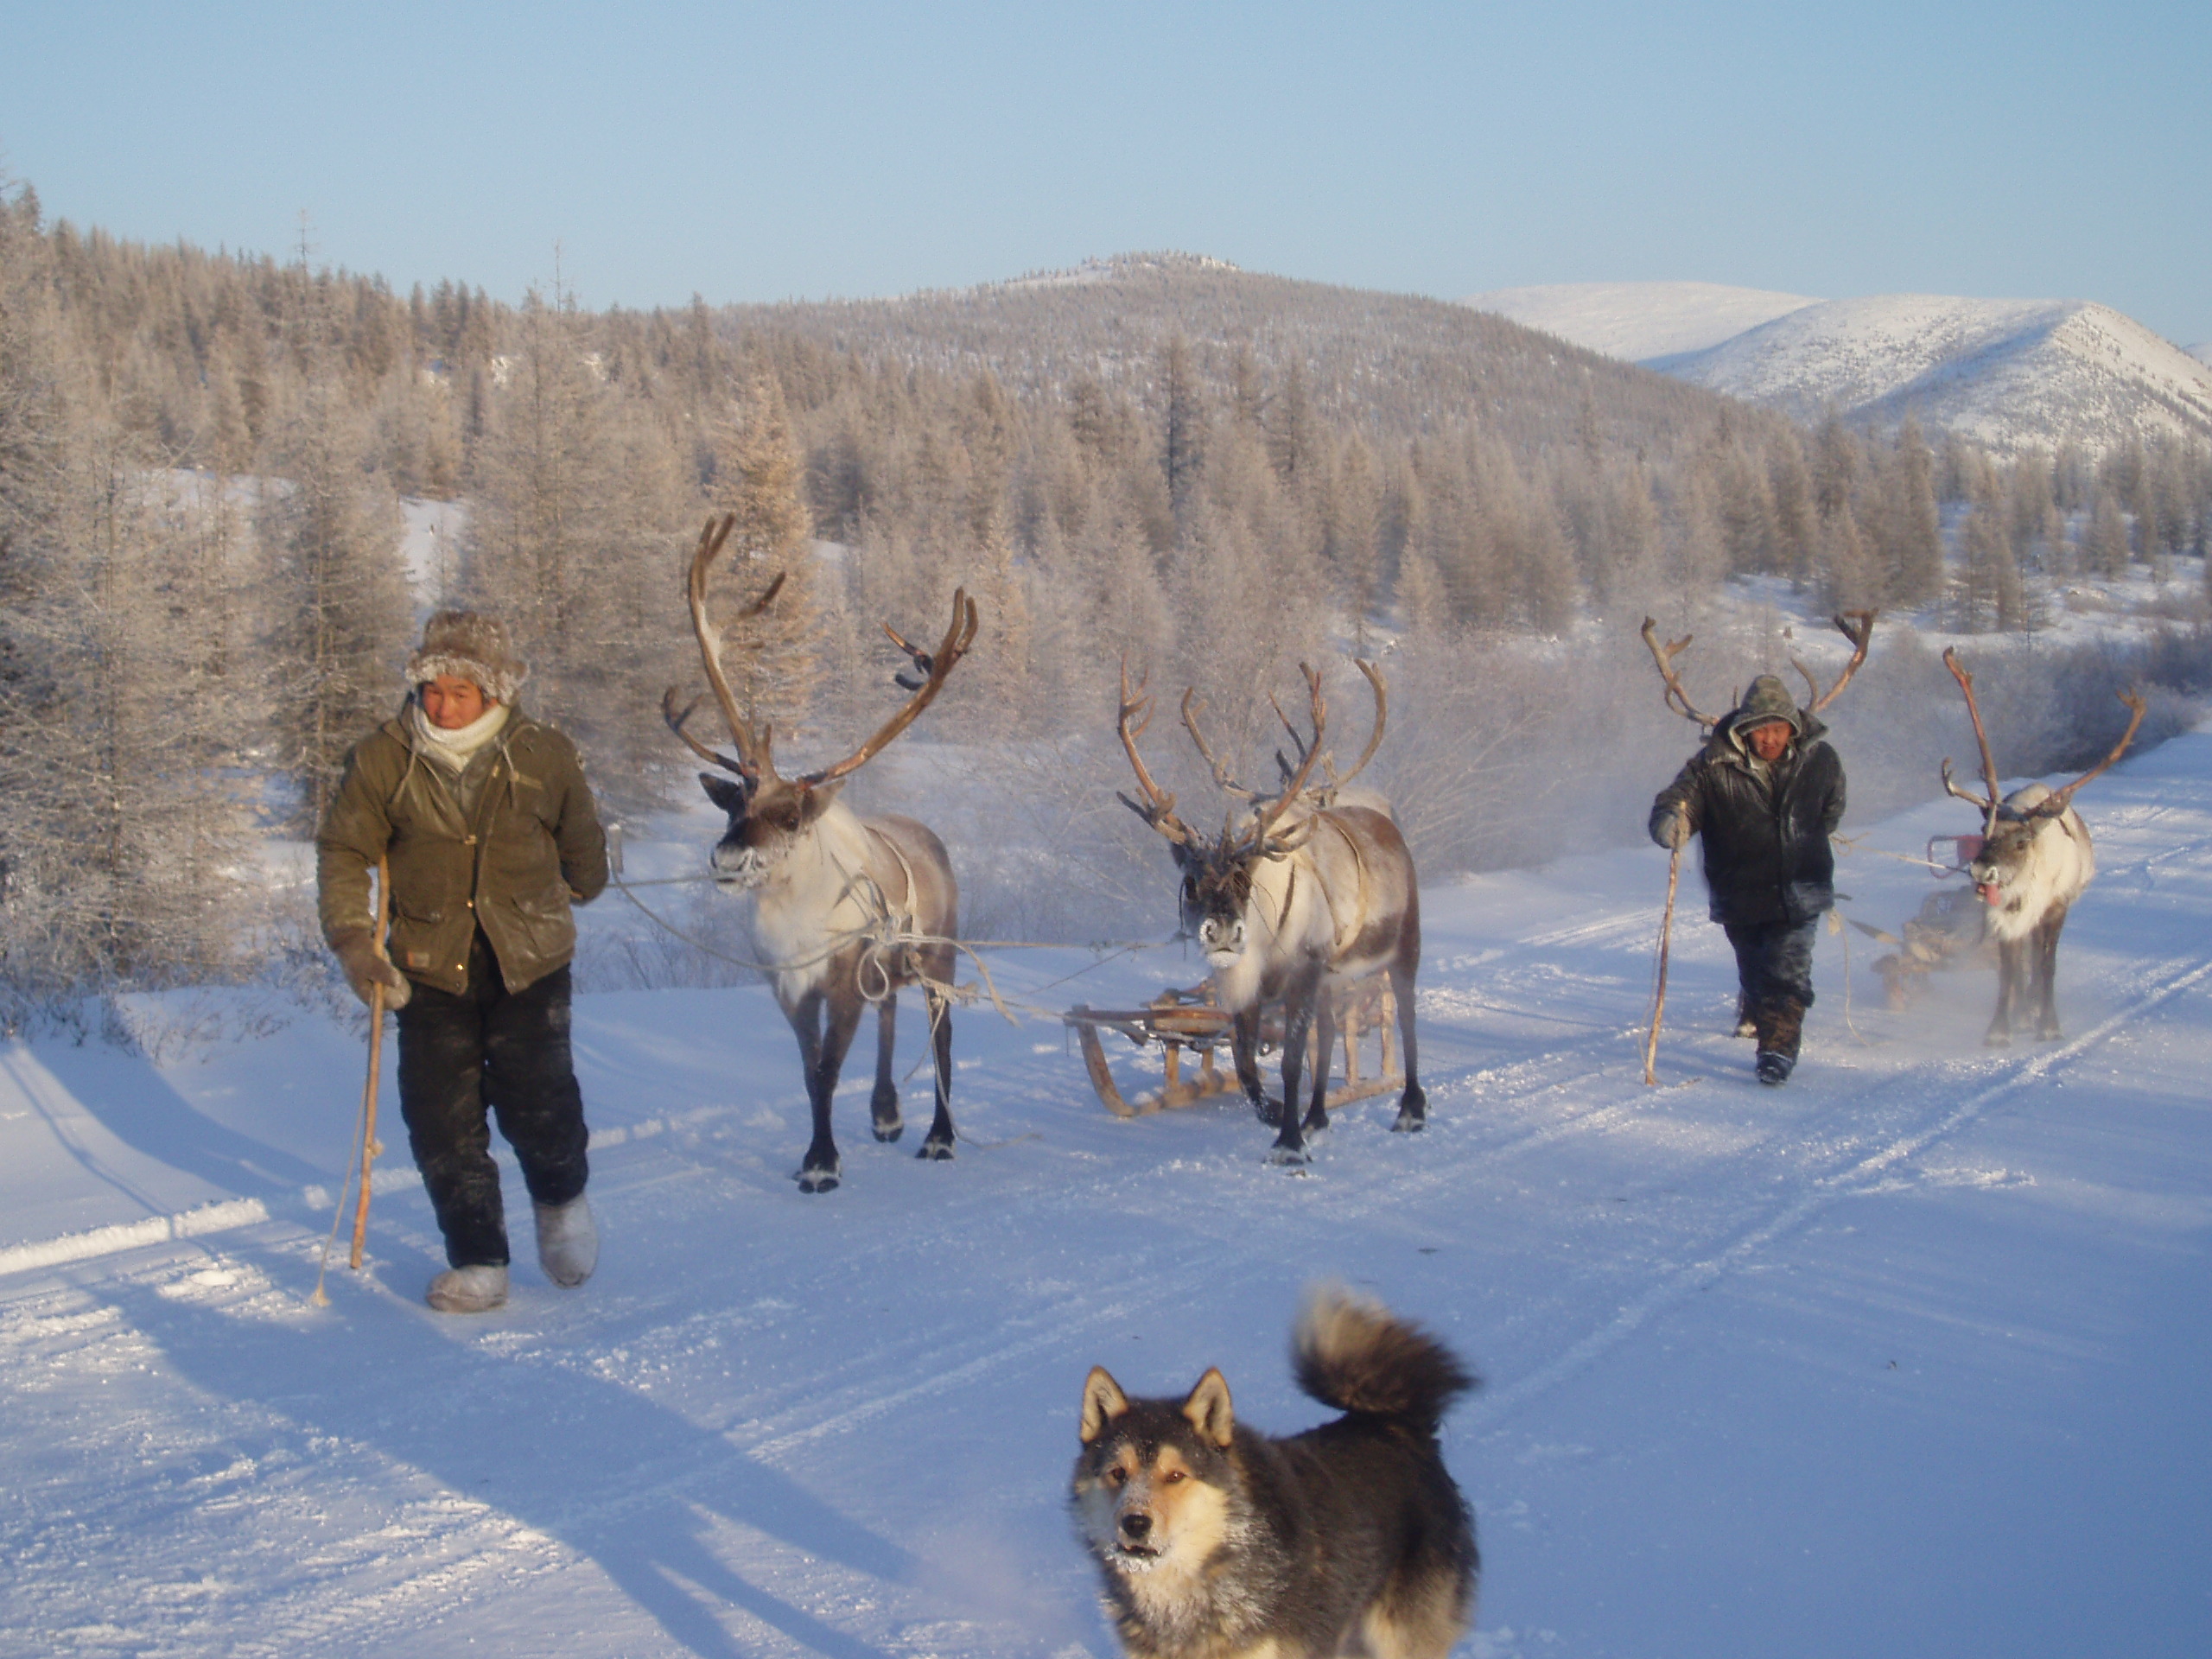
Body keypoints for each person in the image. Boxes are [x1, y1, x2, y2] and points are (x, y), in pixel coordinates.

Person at [318, 612, 608, 1313]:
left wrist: (580, 879)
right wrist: (357, 945)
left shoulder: (542, 753)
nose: (442, 705)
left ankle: (561, 1202)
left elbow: (584, 849)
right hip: (425, 964)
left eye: (460, 691)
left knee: (537, 1098)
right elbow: (345, 852)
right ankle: (479, 1259)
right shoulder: (384, 758)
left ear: (495, 693)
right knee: (441, 1117)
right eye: (431, 688)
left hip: (529, 959)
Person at [1648, 673, 1845, 1086]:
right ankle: (1758, 1011)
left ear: (1793, 728)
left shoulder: (1821, 760)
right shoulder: (1711, 766)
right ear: (1744, 730)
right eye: (1761, 730)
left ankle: (1777, 1050)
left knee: (1786, 968)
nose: (1769, 739)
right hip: (1739, 889)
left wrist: (1800, 840)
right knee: (1755, 967)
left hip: (1801, 886)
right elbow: (1678, 800)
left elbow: (1830, 811)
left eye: (1777, 729)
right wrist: (1673, 821)